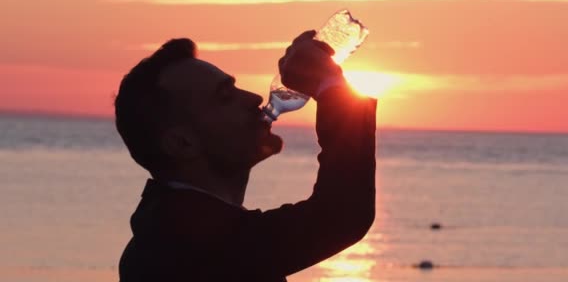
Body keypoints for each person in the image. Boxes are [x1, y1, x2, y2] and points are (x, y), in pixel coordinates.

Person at [115, 30, 377, 281]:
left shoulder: (170, 230)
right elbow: (342, 214)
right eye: (225, 97)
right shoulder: (185, 244)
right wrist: (331, 84)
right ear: (183, 143)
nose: (253, 98)